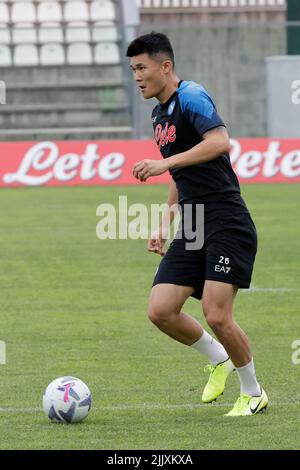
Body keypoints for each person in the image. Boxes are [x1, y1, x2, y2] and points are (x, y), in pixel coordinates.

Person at [126, 32, 268, 416]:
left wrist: (164, 163)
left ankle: (253, 392)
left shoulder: (191, 96)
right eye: (133, 69)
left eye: (142, 67)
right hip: (193, 221)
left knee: (217, 313)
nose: (137, 76)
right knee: (161, 310)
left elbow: (220, 142)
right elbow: (184, 171)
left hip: (225, 219)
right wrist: (165, 220)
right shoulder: (159, 115)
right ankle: (219, 359)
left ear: (165, 66)